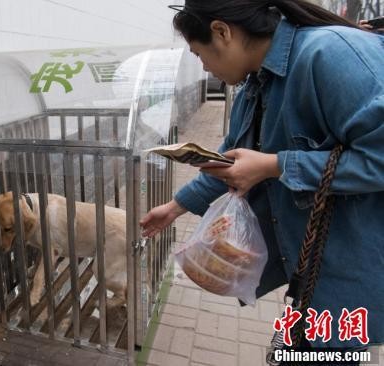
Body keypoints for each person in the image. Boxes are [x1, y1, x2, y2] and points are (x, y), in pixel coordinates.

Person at [140, 0, 384, 356]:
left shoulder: (330, 55)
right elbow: (231, 161)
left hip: (344, 272)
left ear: (222, 32)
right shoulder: (256, 83)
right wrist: (175, 207)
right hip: (307, 270)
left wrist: (275, 166)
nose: (204, 66)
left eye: (198, 54)